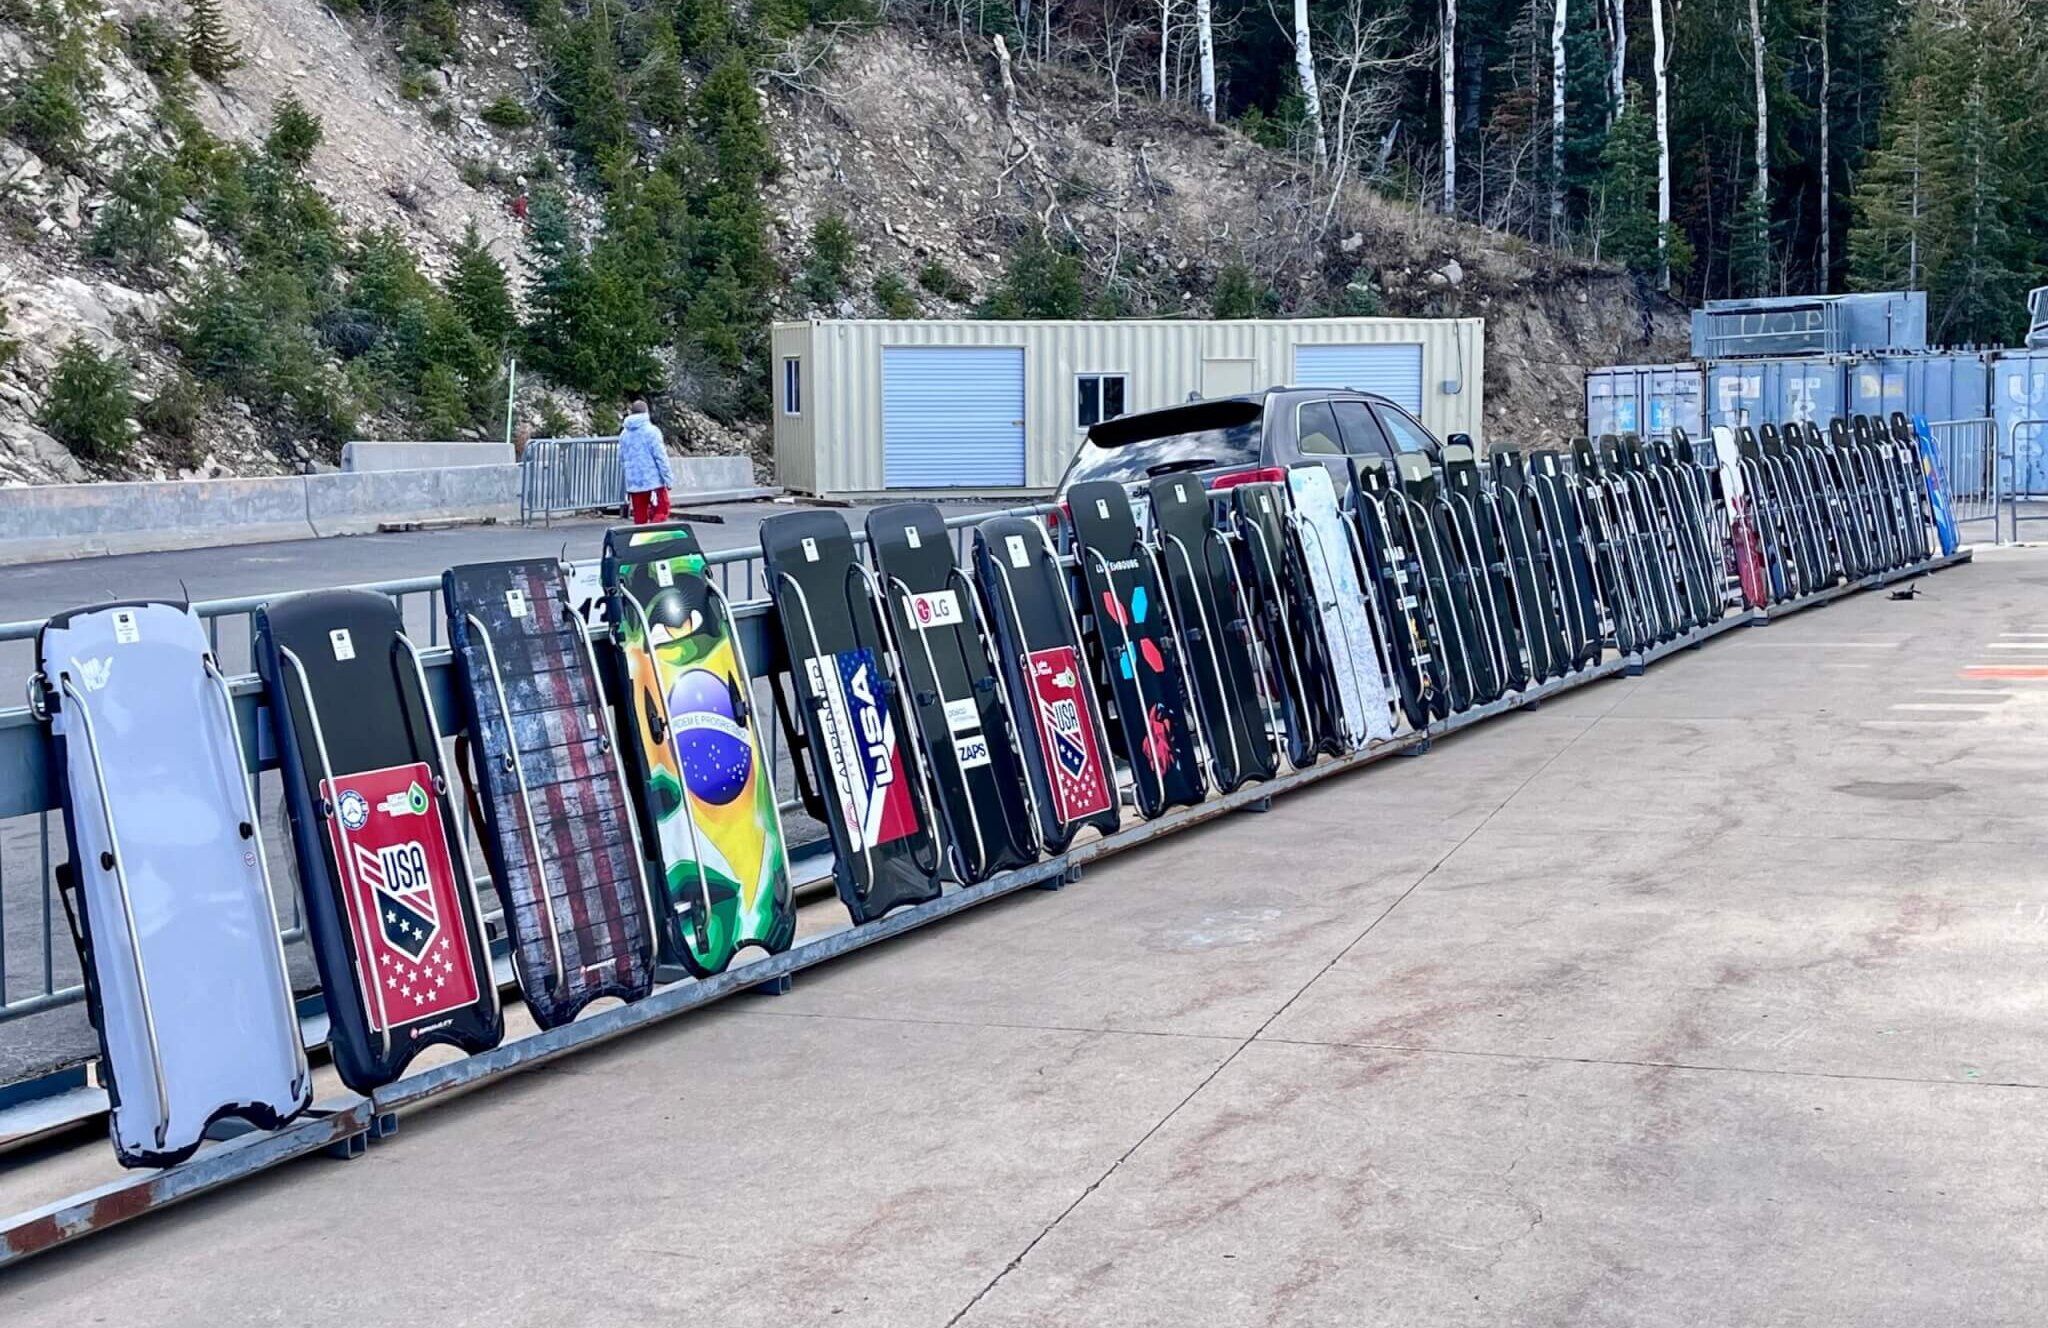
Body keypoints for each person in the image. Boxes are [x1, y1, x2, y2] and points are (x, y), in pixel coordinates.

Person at [618, 398, 673, 525]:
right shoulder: (652, 431)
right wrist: (668, 479)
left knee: (640, 517)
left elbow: (622, 458)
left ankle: (641, 540)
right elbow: (660, 457)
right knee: (661, 511)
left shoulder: (624, 434)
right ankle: (655, 539)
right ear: (646, 413)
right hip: (653, 482)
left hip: (635, 483)